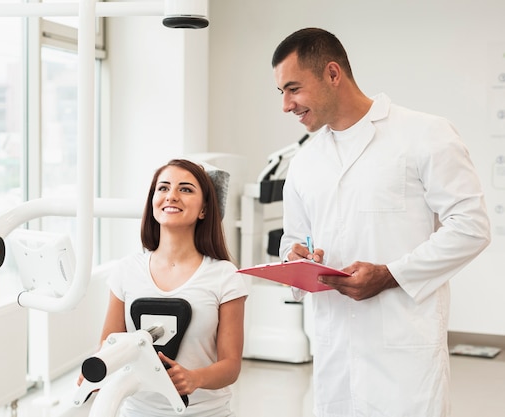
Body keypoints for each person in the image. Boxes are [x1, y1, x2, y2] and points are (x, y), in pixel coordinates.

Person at [272, 28, 491, 417]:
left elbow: (471, 227)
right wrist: (295, 257)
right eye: (282, 93)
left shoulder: (424, 133)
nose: (286, 105)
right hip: (333, 348)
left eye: (293, 89)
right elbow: (293, 236)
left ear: (333, 74)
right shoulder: (305, 161)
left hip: (404, 354)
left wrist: (390, 274)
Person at [81, 159, 248, 416]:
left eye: (186, 189)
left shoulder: (224, 276)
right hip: (137, 410)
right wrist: (95, 373)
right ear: (153, 202)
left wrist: (195, 378)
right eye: (163, 188)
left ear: (204, 209)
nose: (171, 196)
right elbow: (110, 343)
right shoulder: (126, 270)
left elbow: (231, 366)